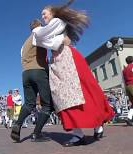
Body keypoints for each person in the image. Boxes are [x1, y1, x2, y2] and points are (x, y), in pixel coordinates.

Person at [32, 0, 114, 146]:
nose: (42, 16)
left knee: (80, 92)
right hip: (59, 62)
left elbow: (43, 38)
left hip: (68, 60)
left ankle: (91, 127)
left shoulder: (56, 22)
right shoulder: (52, 27)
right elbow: (44, 40)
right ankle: (86, 130)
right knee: (65, 97)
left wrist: (36, 31)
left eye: (44, 13)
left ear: (52, 13)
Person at [10, 19, 54, 143]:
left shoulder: (24, 44)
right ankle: (37, 133)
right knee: (47, 104)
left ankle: (18, 124)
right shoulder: (39, 32)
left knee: (29, 103)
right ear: (39, 25)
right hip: (38, 71)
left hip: (25, 73)